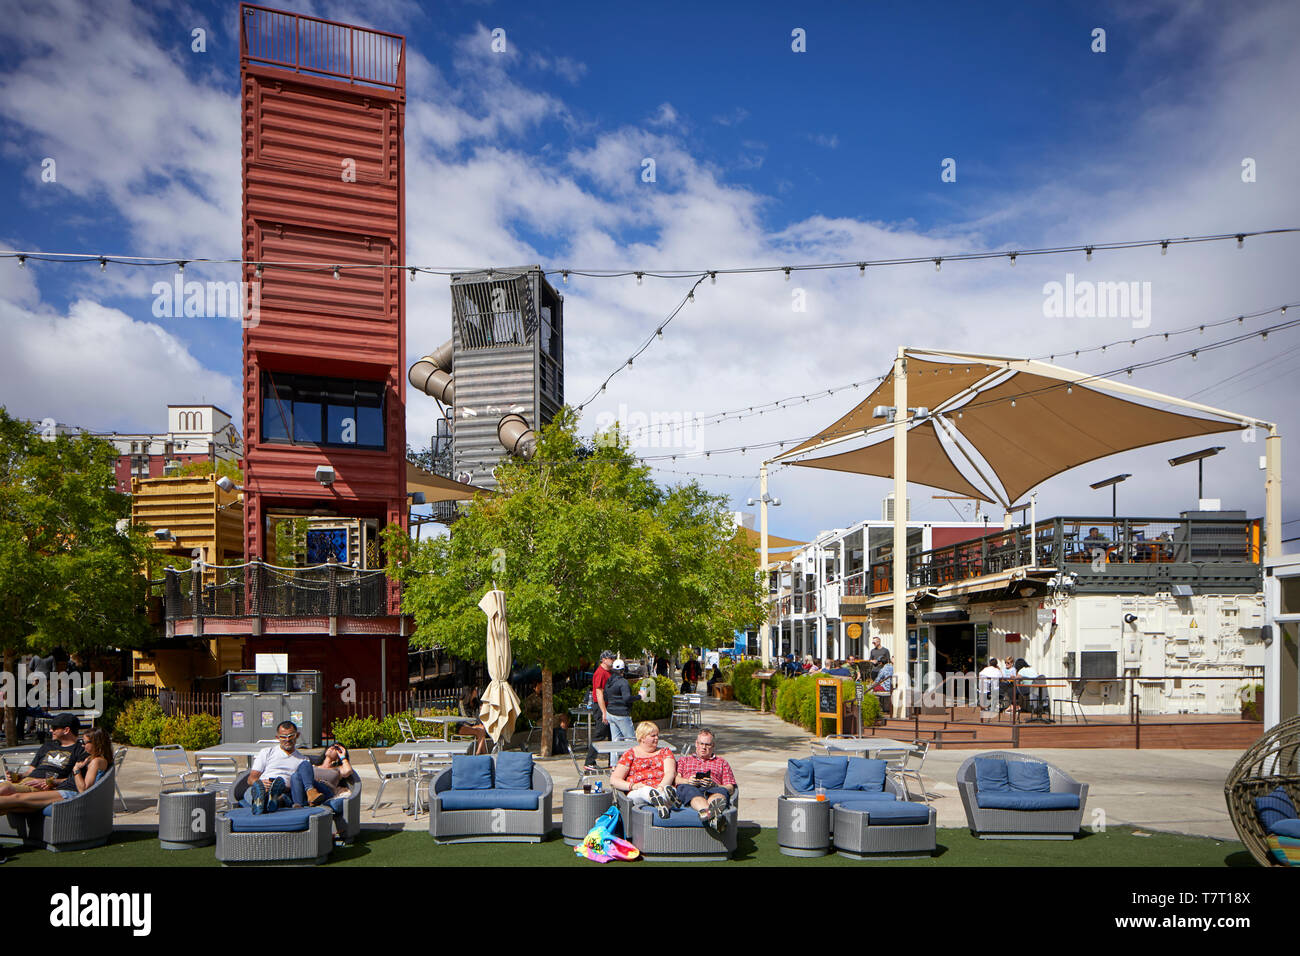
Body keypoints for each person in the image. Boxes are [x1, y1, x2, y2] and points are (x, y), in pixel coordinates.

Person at [0, 727, 109, 814]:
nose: (83, 745)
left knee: (17, 798)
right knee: (16, 806)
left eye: (85, 742)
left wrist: (76, 770)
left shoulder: (97, 761)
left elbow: (84, 790)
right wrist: (52, 782)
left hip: (68, 793)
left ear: (96, 743)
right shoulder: (89, 758)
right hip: (61, 789)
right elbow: (71, 780)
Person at [0, 713, 85, 795]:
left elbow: (75, 779)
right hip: (25, 782)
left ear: (66, 730)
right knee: (4, 787)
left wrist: (50, 782)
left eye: (54, 728)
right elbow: (30, 771)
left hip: (42, 787)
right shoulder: (48, 745)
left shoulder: (80, 750)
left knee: (5, 789)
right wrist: (19, 776)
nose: (51, 730)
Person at [672, 728, 737, 831]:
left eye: (707, 744)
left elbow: (730, 788)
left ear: (713, 746)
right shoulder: (684, 760)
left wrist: (715, 785)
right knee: (688, 789)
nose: (703, 747)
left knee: (720, 791)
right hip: (691, 788)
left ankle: (708, 813)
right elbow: (675, 779)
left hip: (713, 789)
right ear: (696, 744)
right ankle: (713, 816)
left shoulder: (722, 762)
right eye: (701, 744)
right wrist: (687, 781)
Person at [246, 721, 318, 813]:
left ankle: (267, 802)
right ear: (277, 738)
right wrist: (261, 783)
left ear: (297, 735)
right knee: (251, 791)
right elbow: (251, 779)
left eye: (291, 736)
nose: (287, 740)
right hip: (262, 786)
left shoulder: (303, 760)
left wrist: (282, 787)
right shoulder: (267, 752)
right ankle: (261, 801)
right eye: (283, 737)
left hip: (283, 790)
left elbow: (298, 784)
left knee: (283, 797)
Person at [610, 721, 677, 818]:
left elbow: (670, 773)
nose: (657, 738)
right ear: (642, 738)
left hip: (660, 787)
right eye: (653, 736)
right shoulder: (630, 754)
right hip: (638, 791)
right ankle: (663, 799)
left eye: (657, 735)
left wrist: (660, 787)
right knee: (645, 791)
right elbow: (614, 780)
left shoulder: (665, 752)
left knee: (666, 791)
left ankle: (663, 800)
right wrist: (632, 786)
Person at [583, 650, 617, 769]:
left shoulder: (610, 672)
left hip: (609, 706)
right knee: (600, 733)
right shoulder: (600, 673)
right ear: (603, 659)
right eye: (610, 658)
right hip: (601, 707)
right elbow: (599, 693)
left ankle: (612, 762)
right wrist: (603, 712)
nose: (612, 660)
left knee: (612, 735)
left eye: (613, 658)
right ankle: (589, 761)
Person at [605, 659, 635, 743]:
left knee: (615, 742)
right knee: (630, 740)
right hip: (622, 714)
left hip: (610, 713)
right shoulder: (623, 682)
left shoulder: (609, 681)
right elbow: (627, 698)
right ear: (623, 670)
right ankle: (629, 756)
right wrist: (640, 696)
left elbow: (605, 697)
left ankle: (614, 757)